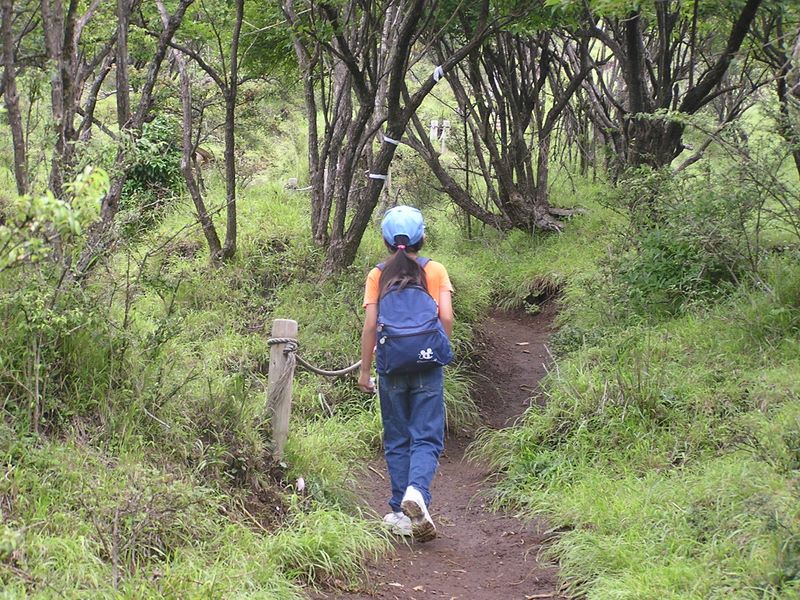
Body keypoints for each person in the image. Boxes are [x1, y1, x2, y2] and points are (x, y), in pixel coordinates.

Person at [358, 206, 454, 542]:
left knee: (397, 437)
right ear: (422, 237)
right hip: (428, 364)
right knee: (426, 436)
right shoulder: (436, 270)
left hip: (391, 365)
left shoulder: (377, 274)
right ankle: (417, 493)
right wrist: (436, 350)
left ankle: (400, 510)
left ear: (385, 240)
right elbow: (446, 318)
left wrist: (365, 370)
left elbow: (371, 326)